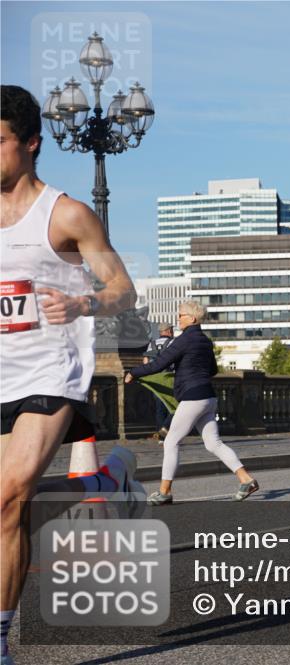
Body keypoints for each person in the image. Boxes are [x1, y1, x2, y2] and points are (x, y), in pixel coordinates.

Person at [1, 85, 141, 665]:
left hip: (50, 372)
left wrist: (83, 305)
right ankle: (106, 486)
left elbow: (123, 289)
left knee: (7, 497)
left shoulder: (66, 214)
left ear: (31, 144)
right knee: (13, 502)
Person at [126, 300, 258, 504]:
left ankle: (164, 492)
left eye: (181, 315)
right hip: (208, 396)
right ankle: (245, 479)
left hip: (192, 397)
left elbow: (160, 364)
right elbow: (213, 370)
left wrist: (133, 373)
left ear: (192, 318)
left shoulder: (184, 339)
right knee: (214, 443)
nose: (178, 318)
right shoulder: (205, 340)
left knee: (170, 441)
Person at [144, 323, 175, 438]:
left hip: (155, 379)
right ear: (168, 331)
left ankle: (161, 437)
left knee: (159, 408)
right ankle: (167, 430)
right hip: (169, 378)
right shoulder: (173, 343)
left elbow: (145, 362)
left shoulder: (152, 344)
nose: (172, 332)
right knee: (173, 406)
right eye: (171, 329)